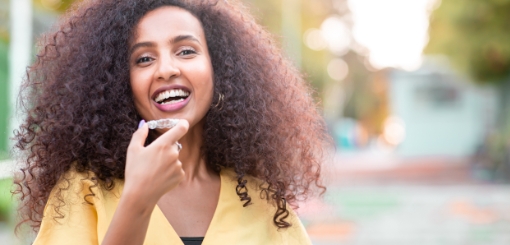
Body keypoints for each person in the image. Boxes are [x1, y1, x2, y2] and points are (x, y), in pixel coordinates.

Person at [13, 0, 331, 244]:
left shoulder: (263, 202)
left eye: (186, 51)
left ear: (219, 71)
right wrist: (137, 200)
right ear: (120, 83)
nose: (166, 69)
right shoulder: (83, 189)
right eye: (144, 59)